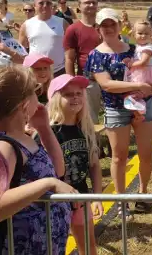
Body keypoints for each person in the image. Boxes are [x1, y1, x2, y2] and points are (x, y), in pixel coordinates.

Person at [0, 64, 75, 255]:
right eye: (35, 92)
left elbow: (58, 171)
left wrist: (44, 128)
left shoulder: (24, 138)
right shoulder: (5, 146)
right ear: (23, 105)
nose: (39, 98)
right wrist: (46, 184)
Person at [86, 8, 152, 218]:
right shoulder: (96, 55)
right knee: (119, 156)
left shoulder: (135, 49)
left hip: (143, 105)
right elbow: (106, 84)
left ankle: (143, 192)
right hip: (116, 109)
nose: (108, 28)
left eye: (112, 24)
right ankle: (121, 199)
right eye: (104, 25)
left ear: (119, 25)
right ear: (98, 28)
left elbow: (149, 72)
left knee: (146, 154)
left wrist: (150, 89)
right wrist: (139, 87)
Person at [46, 74, 102, 255]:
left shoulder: (85, 129)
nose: (76, 97)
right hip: (53, 203)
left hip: (81, 198)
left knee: (88, 246)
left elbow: (94, 165)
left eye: (79, 93)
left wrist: (97, 197)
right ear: (55, 98)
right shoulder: (48, 133)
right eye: (68, 94)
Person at [64, 0, 102, 123]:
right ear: (79, 7)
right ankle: (92, 141)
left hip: (110, 77)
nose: (91, 5)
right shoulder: (73, 29)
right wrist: (71, 81)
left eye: (94, 2)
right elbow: (69, 58)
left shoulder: (105, 27)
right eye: (87, 3)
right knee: (90, 116)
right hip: (89, 79)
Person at [19, 0, 68, 76]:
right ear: (34, 6)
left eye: (48, 3)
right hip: (35, 71)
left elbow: (70, 47)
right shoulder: (26, 25)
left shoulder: (62, 23)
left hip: (59, 71)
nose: (45, 6)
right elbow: (21, 49)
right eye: (41, 3)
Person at [123, 21, 152, 118]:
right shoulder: (138, 46)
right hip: (140, 71)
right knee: (145, 89)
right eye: (140, 33)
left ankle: (140, 108)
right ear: (134, 34)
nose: (143, 36)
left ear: (151, 35)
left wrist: (131, 64)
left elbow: (143, 62)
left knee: (141, 90)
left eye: (146, 34)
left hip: (146, 71)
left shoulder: (148, 47)